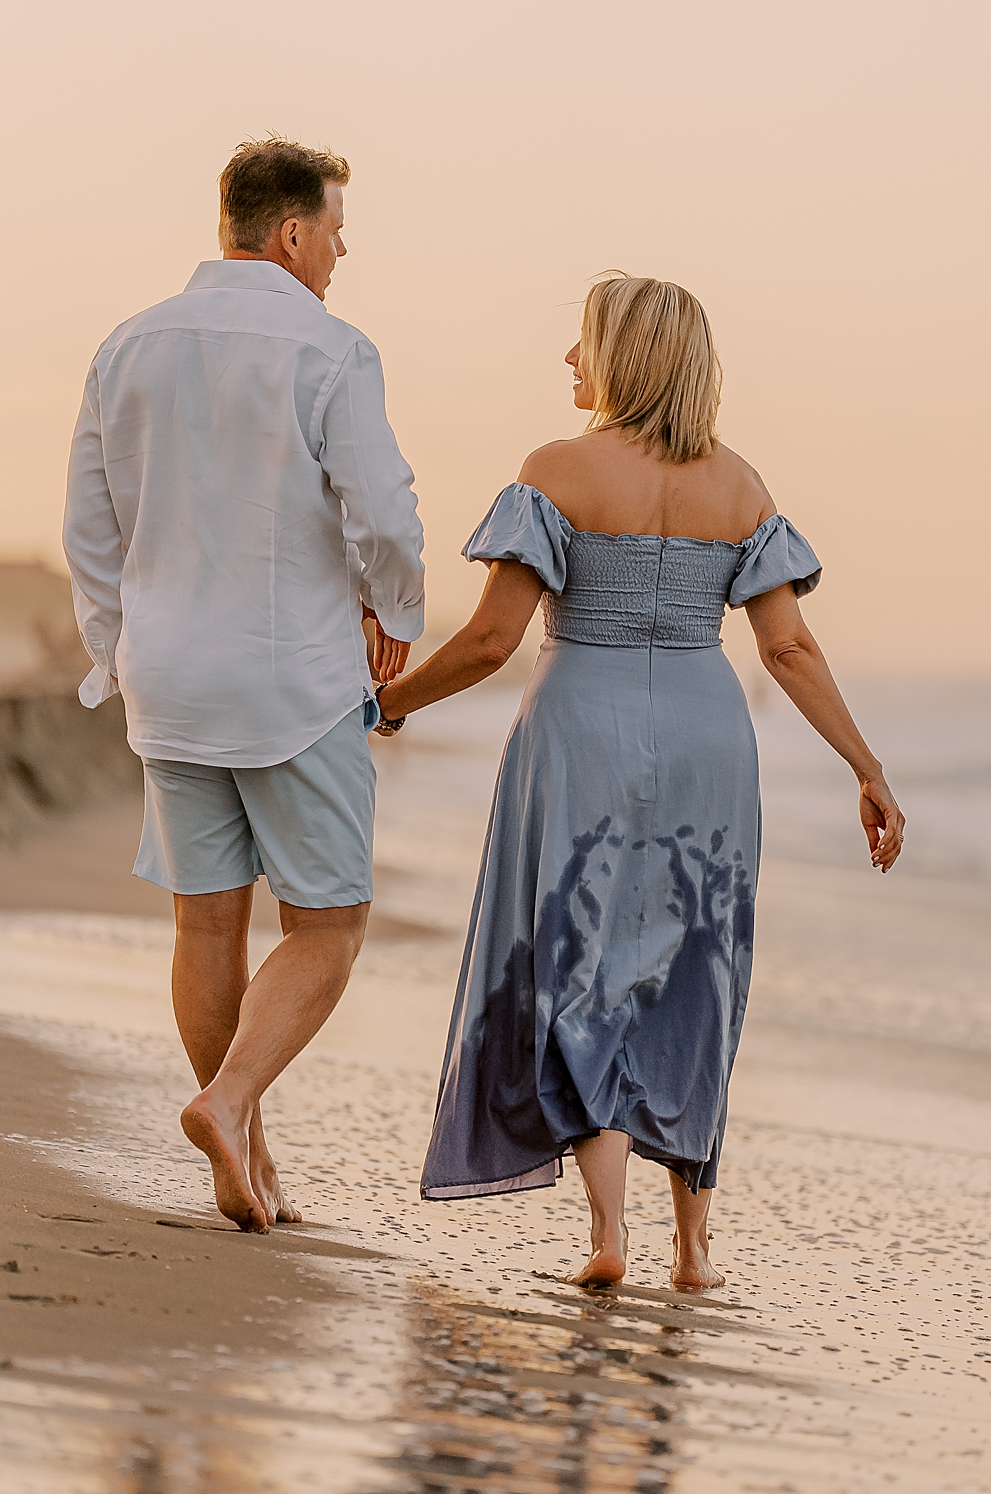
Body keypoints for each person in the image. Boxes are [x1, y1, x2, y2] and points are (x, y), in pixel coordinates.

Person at [376, 275, 905, 1290]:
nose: (568, 364)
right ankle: (693, 1249)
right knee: (692, 969)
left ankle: (606, 1235)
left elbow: (489, 639)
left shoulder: (554, 472)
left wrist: (386, 707)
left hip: (581, 729)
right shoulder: (741, 486)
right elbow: (787, 652)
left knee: (582, 962)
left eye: (580, 344)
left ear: (621, 356)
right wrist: (865, 767)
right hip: (707, 736)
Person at [63, 138, 426, 1233]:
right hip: (292, 679)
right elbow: (382, 511)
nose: (340, 252)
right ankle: (226, 1104)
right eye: (334, 233)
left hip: (166, 679)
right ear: (290, 233)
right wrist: (393, 614)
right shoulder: (329, 349)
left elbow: (89, 526)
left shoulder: (124, 347)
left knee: (203, 927)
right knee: (328, 923)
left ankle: (250, 1155)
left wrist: (114, 649)